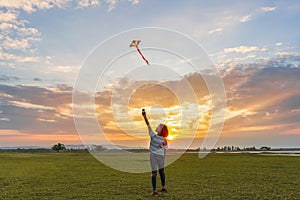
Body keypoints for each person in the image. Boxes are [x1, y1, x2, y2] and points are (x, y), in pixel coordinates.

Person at [142, 108, 168, 196]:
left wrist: (164, 156)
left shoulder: (164, 139)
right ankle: (154, 191)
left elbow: (165, 148)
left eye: (159, 126)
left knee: (161, 172)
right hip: (154, 156)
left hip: (159, 157)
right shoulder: (152, 135)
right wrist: (145, 116)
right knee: (154, 173)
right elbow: (148, 124)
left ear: (161, 130)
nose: (157, 127)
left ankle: (163, 187)